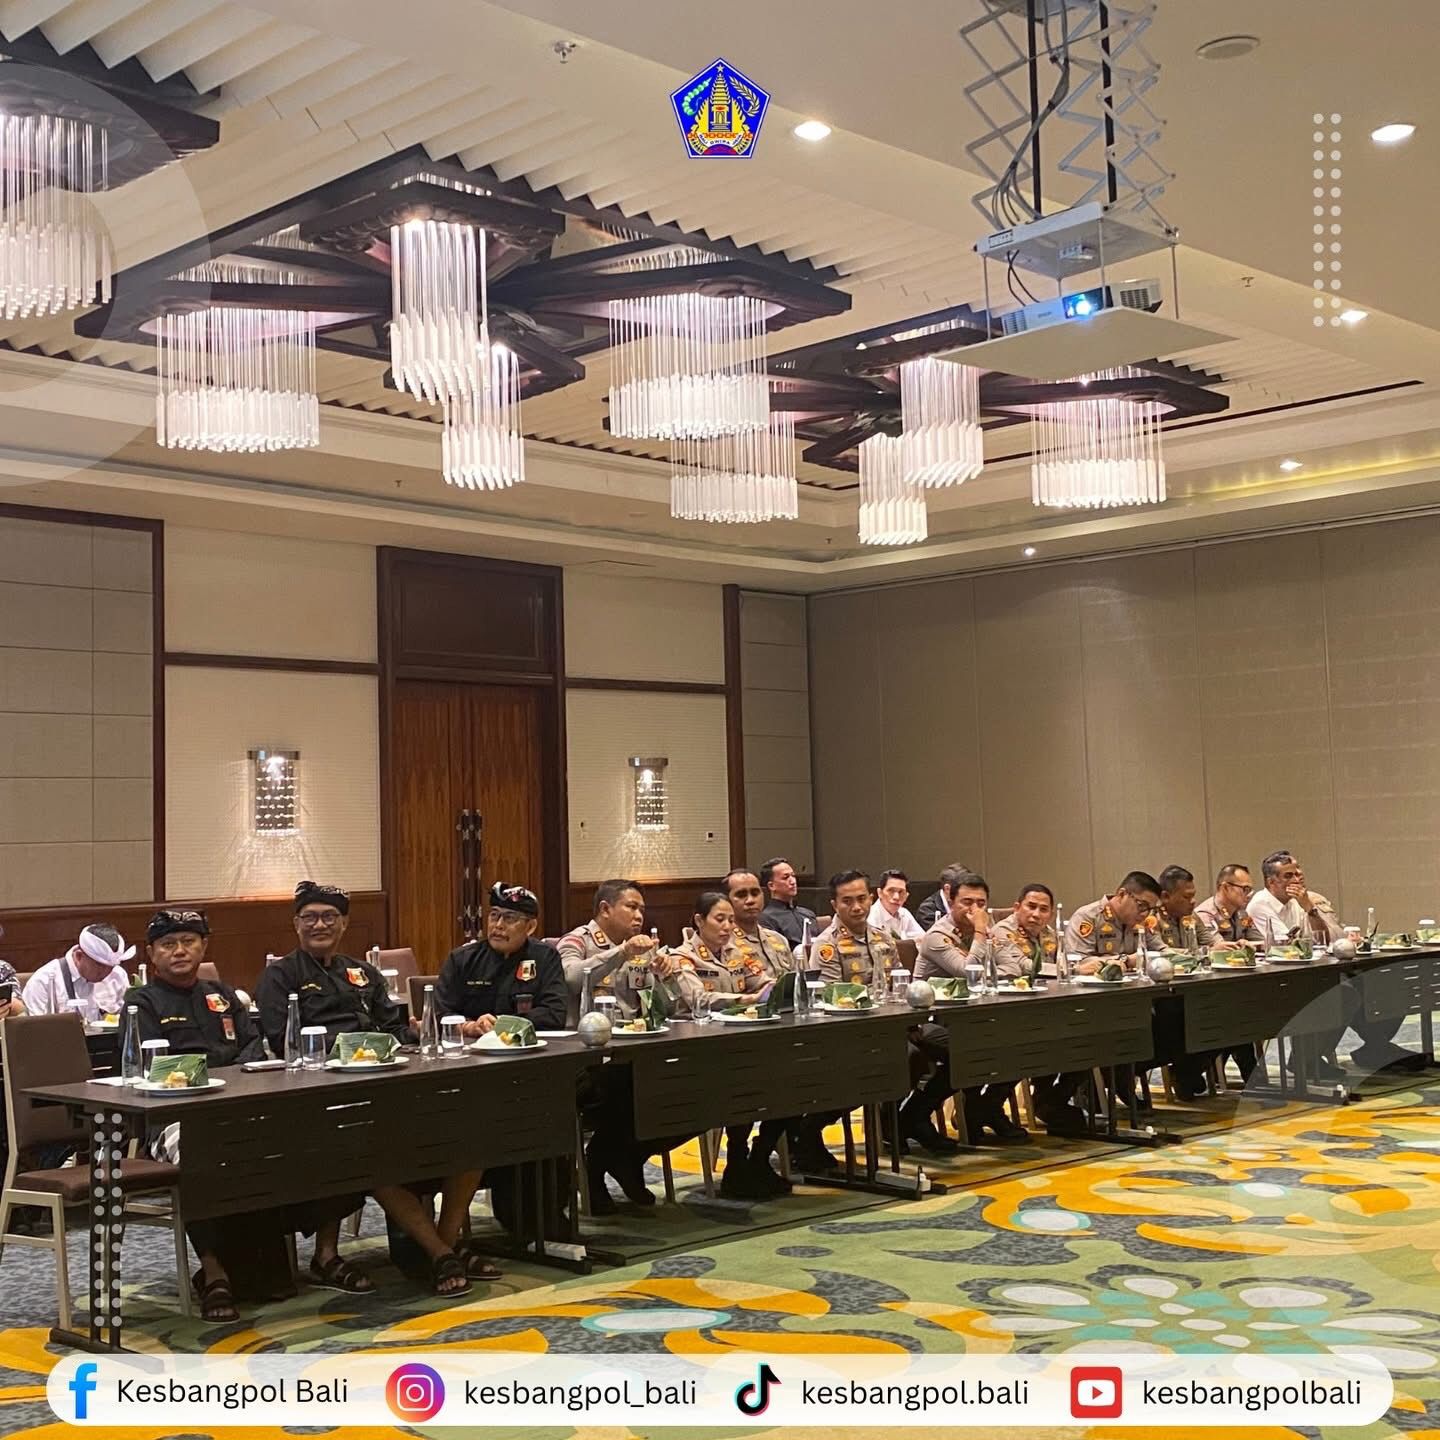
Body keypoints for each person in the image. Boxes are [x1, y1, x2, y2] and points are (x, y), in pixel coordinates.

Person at [256, 881, 483, 1298]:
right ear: (296, 923)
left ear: (344, 924)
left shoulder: (362, 971)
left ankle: (446, 1242)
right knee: (370, 1151)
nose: (320, 925)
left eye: (329, 917)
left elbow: (395, 1028)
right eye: (310, 917)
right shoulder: (280, 975)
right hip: (320, 1096)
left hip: (386, 1086)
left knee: (466, 1134)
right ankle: (434, 1253)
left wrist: (427, 1035)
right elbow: (279, 1038)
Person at [133, 910, 266, 1321]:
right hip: (170, 1118)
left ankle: (264, 1264)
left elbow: (253, 1047)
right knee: (199, 1158)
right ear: (152, 953)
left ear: (204, 947)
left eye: (189, 941)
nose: (179, 951)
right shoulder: (142, 1002)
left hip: (233, 1107)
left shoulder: (222, 995)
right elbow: (148, 1068)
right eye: (168, 944)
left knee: (280, 1143)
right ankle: (213, 1271)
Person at [914, 872, 1026, 1144]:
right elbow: (969, 973)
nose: (975, 909)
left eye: (981, 903)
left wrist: (984, 947)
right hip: (931, 1020)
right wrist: (980, 932)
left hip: (973, 1017)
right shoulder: (937, 936)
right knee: (970, 1049)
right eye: (967, 902)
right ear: (951, 901)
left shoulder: (986, 931)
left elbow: (1015, 968)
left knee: (1022, 1043)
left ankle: (985, 1108)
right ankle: (915, 1116)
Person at [721, 870, 796, 1199]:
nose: (750, 900)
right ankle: (738, 1160)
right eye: (741, 895)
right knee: (751, 1083)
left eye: (754, 893)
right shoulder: (725, 942)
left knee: (803, 1079)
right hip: (743, 1039)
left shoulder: (776, 939)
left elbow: (793, 985)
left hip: (785, 1033)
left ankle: (761, 1154)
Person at [436, 882, 567, 1036]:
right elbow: (439, 1014)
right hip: (473, 1046)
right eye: (494, 915)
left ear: (530, 927)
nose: (498, 925)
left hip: (526, 1045)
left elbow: (554, 1014)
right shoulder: (462, 959)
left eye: (509, 918)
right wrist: (469, 1027)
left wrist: (502, 1024)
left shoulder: (545, 957)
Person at [555, 879, 658, 1023]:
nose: (639, 916)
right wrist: (622, 952)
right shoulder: (578, 940)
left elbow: (664, 1011)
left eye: (641, 910)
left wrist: (664, 977)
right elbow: (570, 979)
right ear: (605, 909)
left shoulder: (640, 948)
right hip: (587, 1034)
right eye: (632, 907)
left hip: (634, 1032)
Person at [21, 923, 132, 1020]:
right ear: (79, 956)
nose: (106, 972)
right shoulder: (42, 982)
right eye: (99, 965)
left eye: (111, 966)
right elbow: (36, 1029)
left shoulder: (118, 975)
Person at [1064, 872, 1162, 973]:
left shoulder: (1142, 921)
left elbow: (1161, 951)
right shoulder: (1087, 916)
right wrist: (1125, 960)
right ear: (1122, 894)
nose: (1145, 913)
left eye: (1150, 909)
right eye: (1142, 905)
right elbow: (1077, 963)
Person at [1247, 851, 1343, 948]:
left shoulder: (1296, 900)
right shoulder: (1259, 904)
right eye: (1288, 876)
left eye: (1296, 875)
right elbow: (1285, 944)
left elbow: (1322, 940)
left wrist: (1310, 908)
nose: (1296, 880)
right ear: (1270, 882)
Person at [990, 882, 1060, 981]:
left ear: (1051, 916)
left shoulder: (1049, 933)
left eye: (1043, 909)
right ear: (1017, 908)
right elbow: (1021, 965)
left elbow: (1061, 958)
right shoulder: (1002, 930)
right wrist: (1064, 969)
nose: (1036, 914)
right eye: (1031, 907)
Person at [1193, 864, 1264, 946]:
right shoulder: (1205, 914)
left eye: (1250, 890)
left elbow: (1261, 941)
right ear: (1226, 888)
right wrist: (1245, 945)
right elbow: (1221, 947)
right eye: (1245, 889)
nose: (1249, 895)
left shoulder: (1242, 913)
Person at [1152, 866, 1216, 951]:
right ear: (1165, 896)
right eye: (1187, 897)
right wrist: (1203, 951)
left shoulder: (1191, 915)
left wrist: (1222, 946)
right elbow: (1162, 951)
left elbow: (1211, 942)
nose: (1193, 901)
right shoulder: (1152, 918)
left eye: (1193, 896)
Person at [759, 857, 817, 949]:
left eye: (793, 876)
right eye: (785, 877)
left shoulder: (808, 914)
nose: (793, 881)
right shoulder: (766, 918)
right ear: (771, 885)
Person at [869, 870, 926, 942]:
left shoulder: (904, 913)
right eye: (891, 890)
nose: (896, 897)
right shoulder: (870, 917)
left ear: (906, 896)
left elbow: (923, 940)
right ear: (880, 893)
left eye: (901, 892)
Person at [914, 862, 972, 931]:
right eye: (963, 890)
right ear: (947, 889)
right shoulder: (927, 910)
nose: (968, 894)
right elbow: (939, 935)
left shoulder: (972, 904)